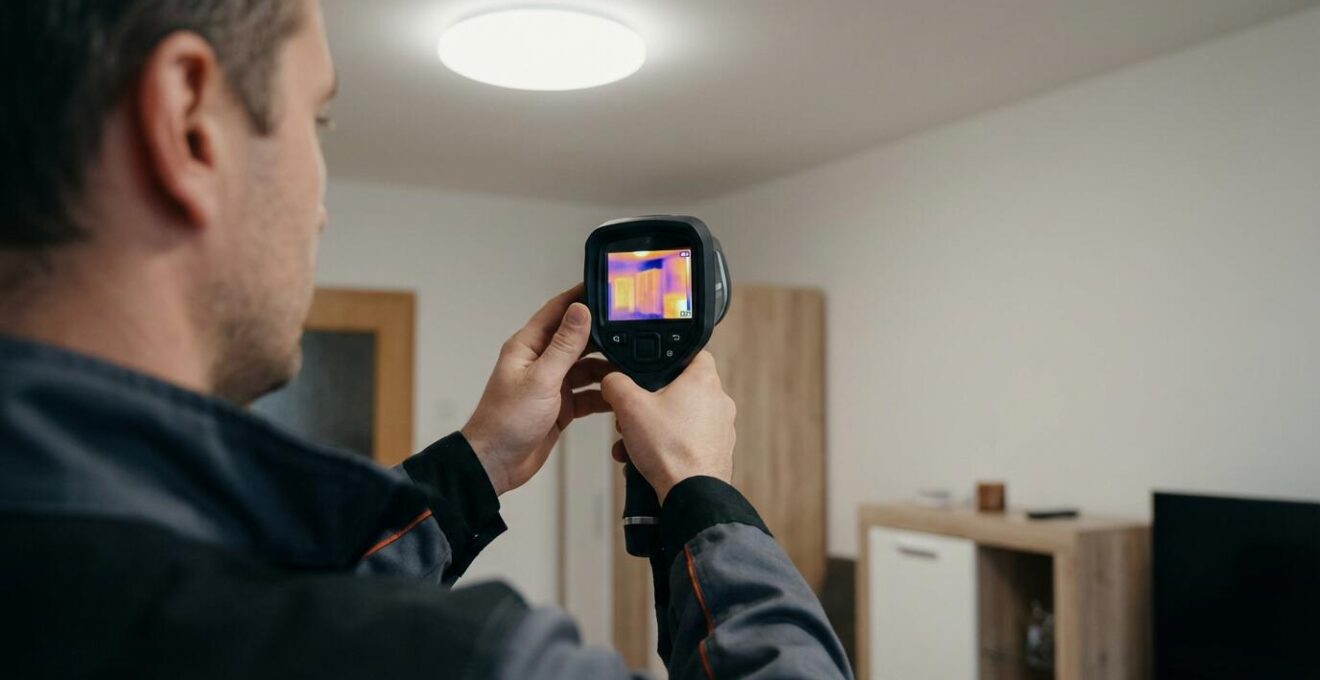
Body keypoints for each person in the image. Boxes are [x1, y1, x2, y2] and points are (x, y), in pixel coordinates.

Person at [0, 1, 852, 678]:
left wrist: (478, 461)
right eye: (318, 119)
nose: (322, 205)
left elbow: (308, 594)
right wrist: (705, 496)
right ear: (190, 122)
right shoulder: (448, 659)